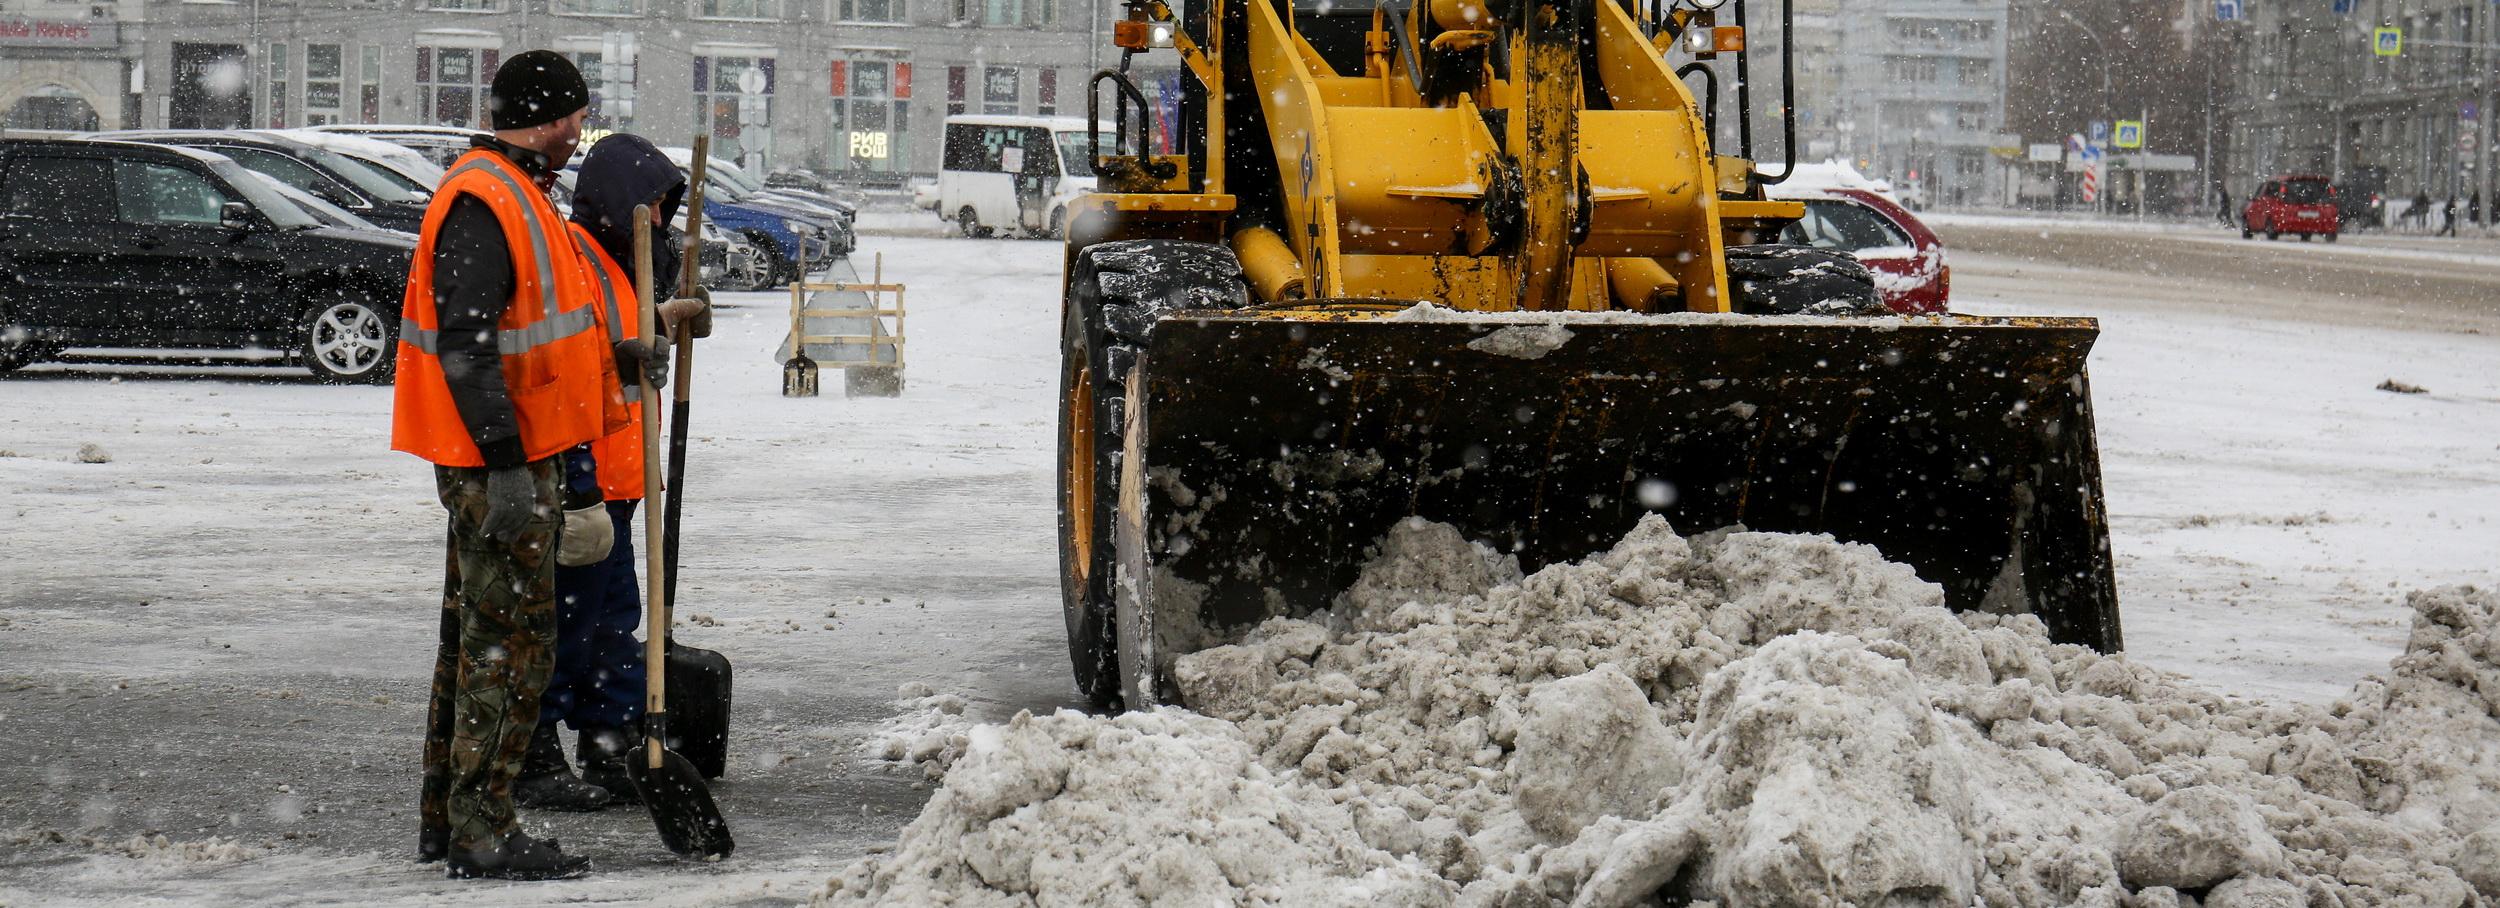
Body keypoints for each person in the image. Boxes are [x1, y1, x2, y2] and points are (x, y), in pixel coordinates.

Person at [394, 50, 665, 882]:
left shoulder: (521, 193)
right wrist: (506, 464)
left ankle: (454, 819)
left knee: (477, 641)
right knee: (506, 648)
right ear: (548, 117)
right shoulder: (485, 195)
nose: (582, 132)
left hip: (514, 453)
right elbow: (467, 344)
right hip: (498, 464)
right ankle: (483, 830)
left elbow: (541, 339)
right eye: (577, 117)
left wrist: (625, 357)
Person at [514, 133, 708, 808]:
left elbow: (620, 337)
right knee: (562, 626)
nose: (660, 219)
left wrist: (663, 322)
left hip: (622, 481)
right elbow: (576, 350)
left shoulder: (621, 263)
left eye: (665, 205)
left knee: (612, 624)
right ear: (619, 201)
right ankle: (533, 753)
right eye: (652, 204)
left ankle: (609, 741)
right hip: (581, 471)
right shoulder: (575, 256)